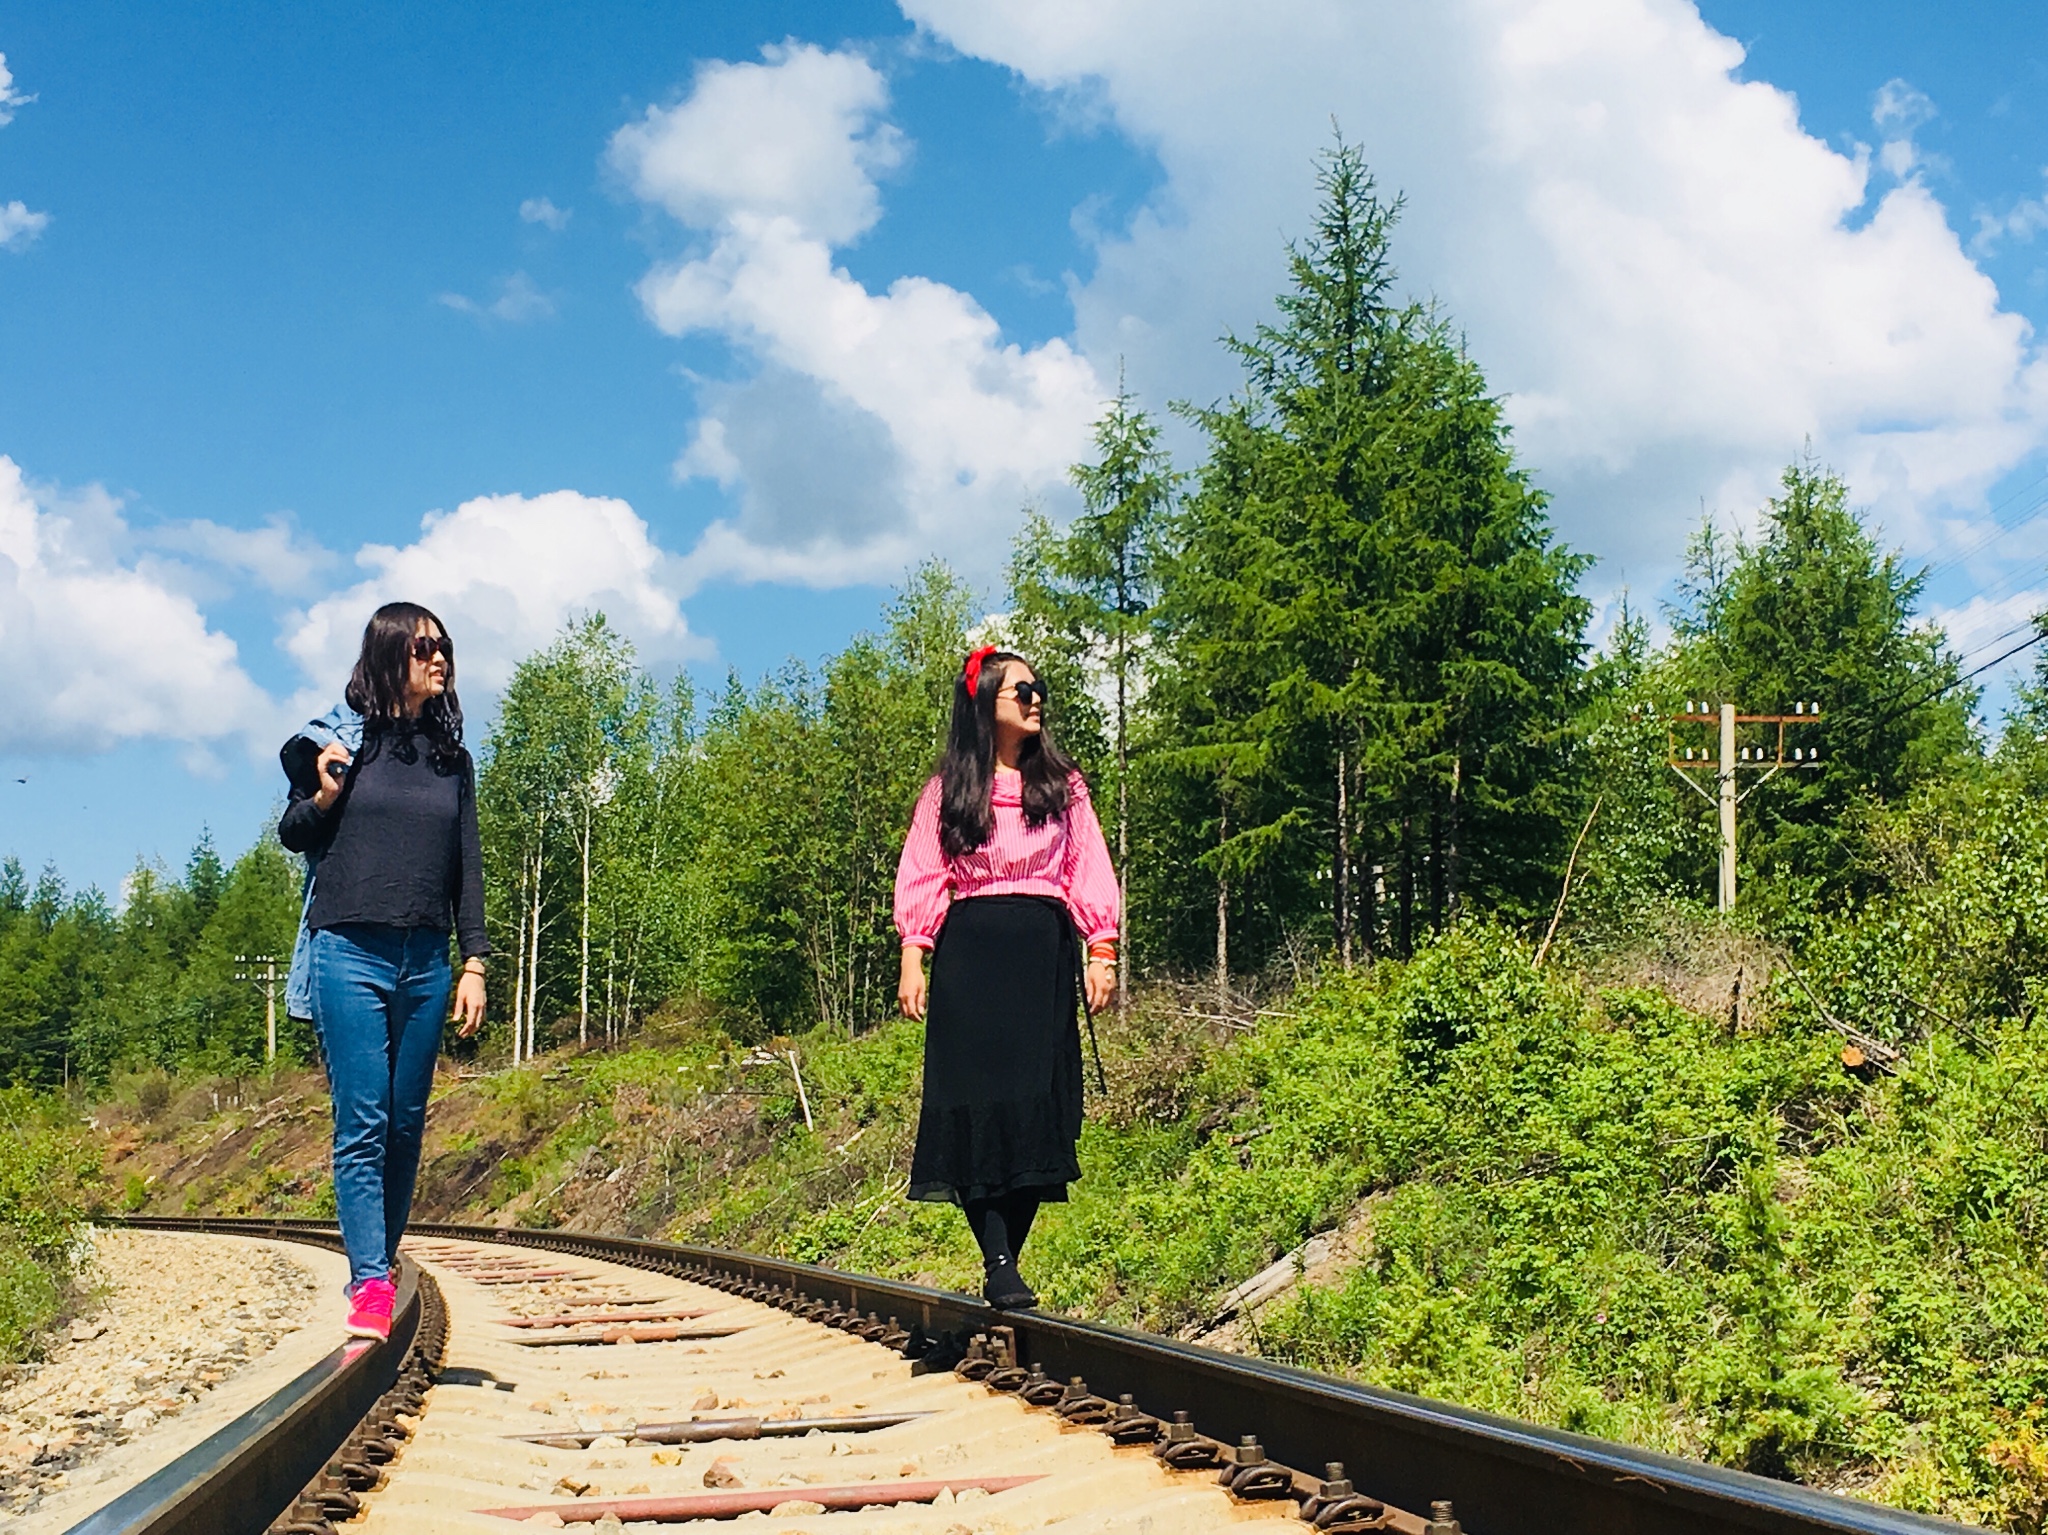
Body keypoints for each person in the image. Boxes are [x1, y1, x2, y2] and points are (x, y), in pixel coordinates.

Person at [278, 602, 487, 1339]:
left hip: (427, 962)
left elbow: (469, 867)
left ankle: (383, 1257)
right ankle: (368, 1281)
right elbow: (292, 829)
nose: (440, 659)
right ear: (391, 653)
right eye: (425, 646)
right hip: (347, 952)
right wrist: (326, 793)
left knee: (404, 1125)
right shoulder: (344, 745)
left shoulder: (451, 761)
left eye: (445, 647)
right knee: (361, 1122)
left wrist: (474, 962)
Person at [893, 646, 1118, 1309]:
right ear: (985, 705)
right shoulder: (949, 791)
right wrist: (914, 953)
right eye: (1022, 691)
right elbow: (924, 872)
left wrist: (1100, 946)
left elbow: (1088, 866)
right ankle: (999, 1260)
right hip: (971, 961)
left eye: (1039, 689)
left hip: (1041, 958)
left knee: (1037, 1115)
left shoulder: (1063, 786)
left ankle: (1003, 1259)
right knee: (976, 1115)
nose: (1036, 699)